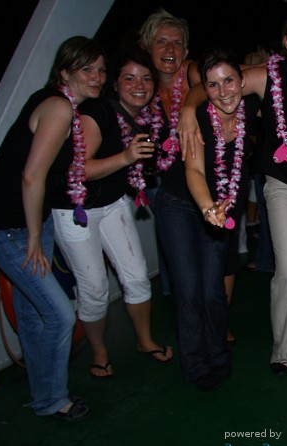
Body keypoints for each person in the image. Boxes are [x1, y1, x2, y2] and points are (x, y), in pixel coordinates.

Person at [180, 4, 287, 376]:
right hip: (281, 186)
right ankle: (282, 350)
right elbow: (211, 83)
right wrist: (187, 111)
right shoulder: (264, 76)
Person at [0, 36, 105, 421]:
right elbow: (31, 177)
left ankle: (42, 392)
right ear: (64, 72)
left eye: (101, 70)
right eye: (87, 69)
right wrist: (33, 237)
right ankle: (52, 399)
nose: (97, 77)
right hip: (9, 227)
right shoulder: (58, 107)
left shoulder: (65, 107)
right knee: (60, 314)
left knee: (33, 312)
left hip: (34, 219)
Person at [50, 46, 174, 378]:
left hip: (113, 202)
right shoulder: (97, 111)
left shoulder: (146, 117)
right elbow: (78, 170)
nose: (139, 85)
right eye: (129, 78)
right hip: (75, 210)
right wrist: (126, 158)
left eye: (146, 78)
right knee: (94, 288)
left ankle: (144, 341)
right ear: (115, 84)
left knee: (137, 276)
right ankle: (100, 353)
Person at [162, 48, 255, 392]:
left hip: (221, 206)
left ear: (242, 81)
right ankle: (195, 363)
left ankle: (218, 354)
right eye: (212, 85)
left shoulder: (252, 107)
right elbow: (194, 171)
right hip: (180, 205)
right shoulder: (200, 118)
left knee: (213, 289)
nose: (223, 91)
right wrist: (207, 208)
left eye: (229, 80)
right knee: (189, 290)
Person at [139, 8, 202, 298]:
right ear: (147, 48)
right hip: (165, 185)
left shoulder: (191, 73)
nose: (169, 50)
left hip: (205, 181)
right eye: (161, 42)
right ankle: (175, 296)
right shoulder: (143, 87)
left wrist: (189, 106)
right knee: (179, 264)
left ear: (185, 51)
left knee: (209, 264)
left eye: (177, 43)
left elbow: (216, 80)